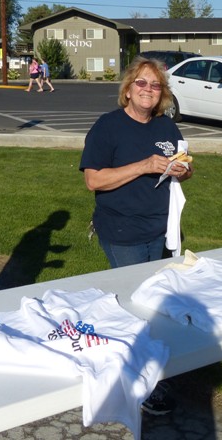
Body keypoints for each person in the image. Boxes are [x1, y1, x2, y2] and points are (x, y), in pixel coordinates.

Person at [80, 56, 192, 415]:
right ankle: (143, 383)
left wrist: (182, 170)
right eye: (141, 83)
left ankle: (149, 368)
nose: (147, 89)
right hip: (122, 229)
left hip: (161, 230)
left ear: (162, 94)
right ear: (127, 90)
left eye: (155, 85)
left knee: (156, 303)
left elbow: (180, 164)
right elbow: (93, 180)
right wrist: (144, 165)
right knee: (136, 307)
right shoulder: (108, 127)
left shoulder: (165, 128)